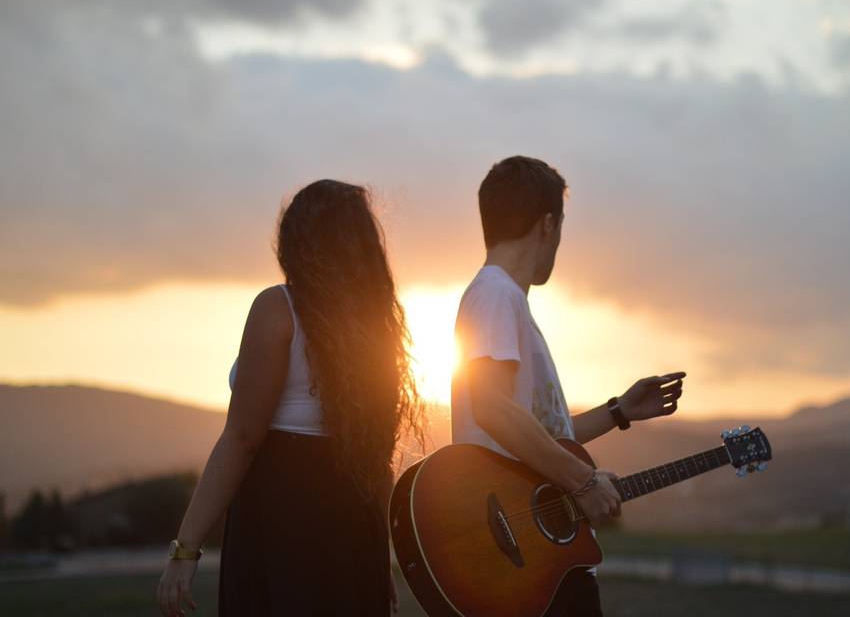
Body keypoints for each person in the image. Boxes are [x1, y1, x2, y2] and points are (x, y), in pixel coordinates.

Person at [157, 180, 422, 616]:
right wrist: (378, 561)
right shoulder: (375, 326)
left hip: (280, 515)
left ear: (295, 240)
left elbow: (242, 438)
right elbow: (377, 457)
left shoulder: (277, 308)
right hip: (352, 522)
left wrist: (184, 551)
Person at [451, 156, 686, 616]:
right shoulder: (495, 296)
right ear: (548, 225)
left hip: (546, 554)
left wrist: (619, 412)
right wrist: (582, 482)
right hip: (530, 559)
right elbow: (492, 408)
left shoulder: (505, 301)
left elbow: (537, 432)